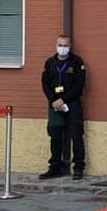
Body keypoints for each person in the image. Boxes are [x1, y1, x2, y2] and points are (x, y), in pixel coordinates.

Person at [40, 34, 87, 179]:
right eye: (60, 45)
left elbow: (80, 85)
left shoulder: (77, 62)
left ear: (70, 46)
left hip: (72, 104)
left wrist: (63, 100)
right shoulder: (50, 62)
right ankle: (55, 167)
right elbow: (45, 83)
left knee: (76, 135)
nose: (62, 48)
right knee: (55, 136)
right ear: (56, 45)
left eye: (65, 45)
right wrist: (54, 100)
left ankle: (78, 167)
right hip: (54, 104)